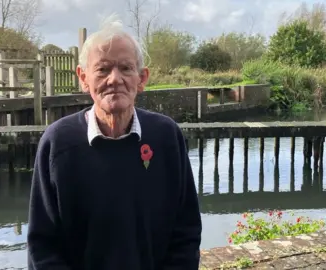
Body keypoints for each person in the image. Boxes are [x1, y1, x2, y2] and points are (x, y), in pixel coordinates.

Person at [26, 14, 202, 270]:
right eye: (103, 69)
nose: (114, 79)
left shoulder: (166, 137)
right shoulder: (58, 143)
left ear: (141, 78)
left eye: (126, 68)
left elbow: (186, 231)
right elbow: (42, 245)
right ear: (83, 77)